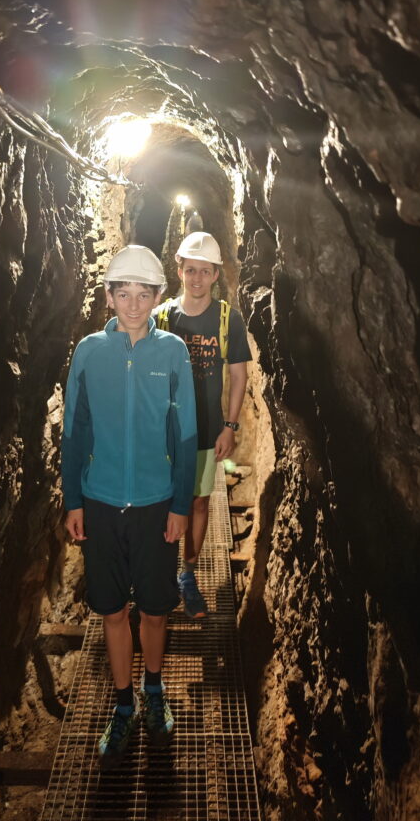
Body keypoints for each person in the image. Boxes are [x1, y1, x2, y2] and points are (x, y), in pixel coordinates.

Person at [61, 245, 197, 769]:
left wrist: (181, 504)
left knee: (156, 611)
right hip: (100, 501)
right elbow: (74, 432)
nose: (134, 304)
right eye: (124, 293)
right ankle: (123, 705)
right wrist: (74, 499)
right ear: (110, 296)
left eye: (144, 294)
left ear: (158, 298)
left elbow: (185, 436)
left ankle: (155, 691)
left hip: (155, 502)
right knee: (113, 611)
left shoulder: (173, 354)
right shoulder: (89, 352)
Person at [155, 232, 252, 618]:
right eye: (190, 269)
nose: (196, 278)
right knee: (159, 503)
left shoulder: (227, 319)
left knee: (198, 503)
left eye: (205, 271)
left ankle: (187, 575)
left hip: (206, 430)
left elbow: (239, 376)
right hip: (163, 431)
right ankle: (157, 574)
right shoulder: (161, 316)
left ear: (215, 275)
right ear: (180, 270)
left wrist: (229, 426)